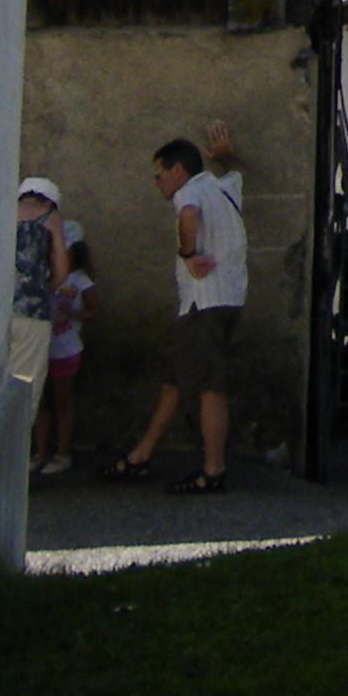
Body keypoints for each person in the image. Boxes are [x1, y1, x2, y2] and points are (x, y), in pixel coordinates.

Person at [101, 136, 249, 494]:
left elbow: (188, 214)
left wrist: (189, 253)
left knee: (210, 388)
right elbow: (237, 172)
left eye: (159, 175)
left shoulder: (189, 192)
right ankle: (141, 455)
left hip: (204, 303)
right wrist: (228, 157)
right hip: (228, 298)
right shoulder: (225, 187)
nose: (157, 183)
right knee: (175, 381)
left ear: (178, 170)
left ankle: (213, 470)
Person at [10, 179, 68, 436]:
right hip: (32, 314)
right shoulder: (50, 217)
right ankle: (14, 457)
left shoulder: (3, 208)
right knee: (25, 390)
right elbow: (61, 270)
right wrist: (46, 289)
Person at [37, 228, 94, 479]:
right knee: (40, 402)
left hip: (66, 349)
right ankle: (38, 453)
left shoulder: (81, 280)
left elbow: (93, 310)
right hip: (41, 348)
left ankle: (62, 453)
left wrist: (71, 315)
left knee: (62, 401)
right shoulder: (44, 276)